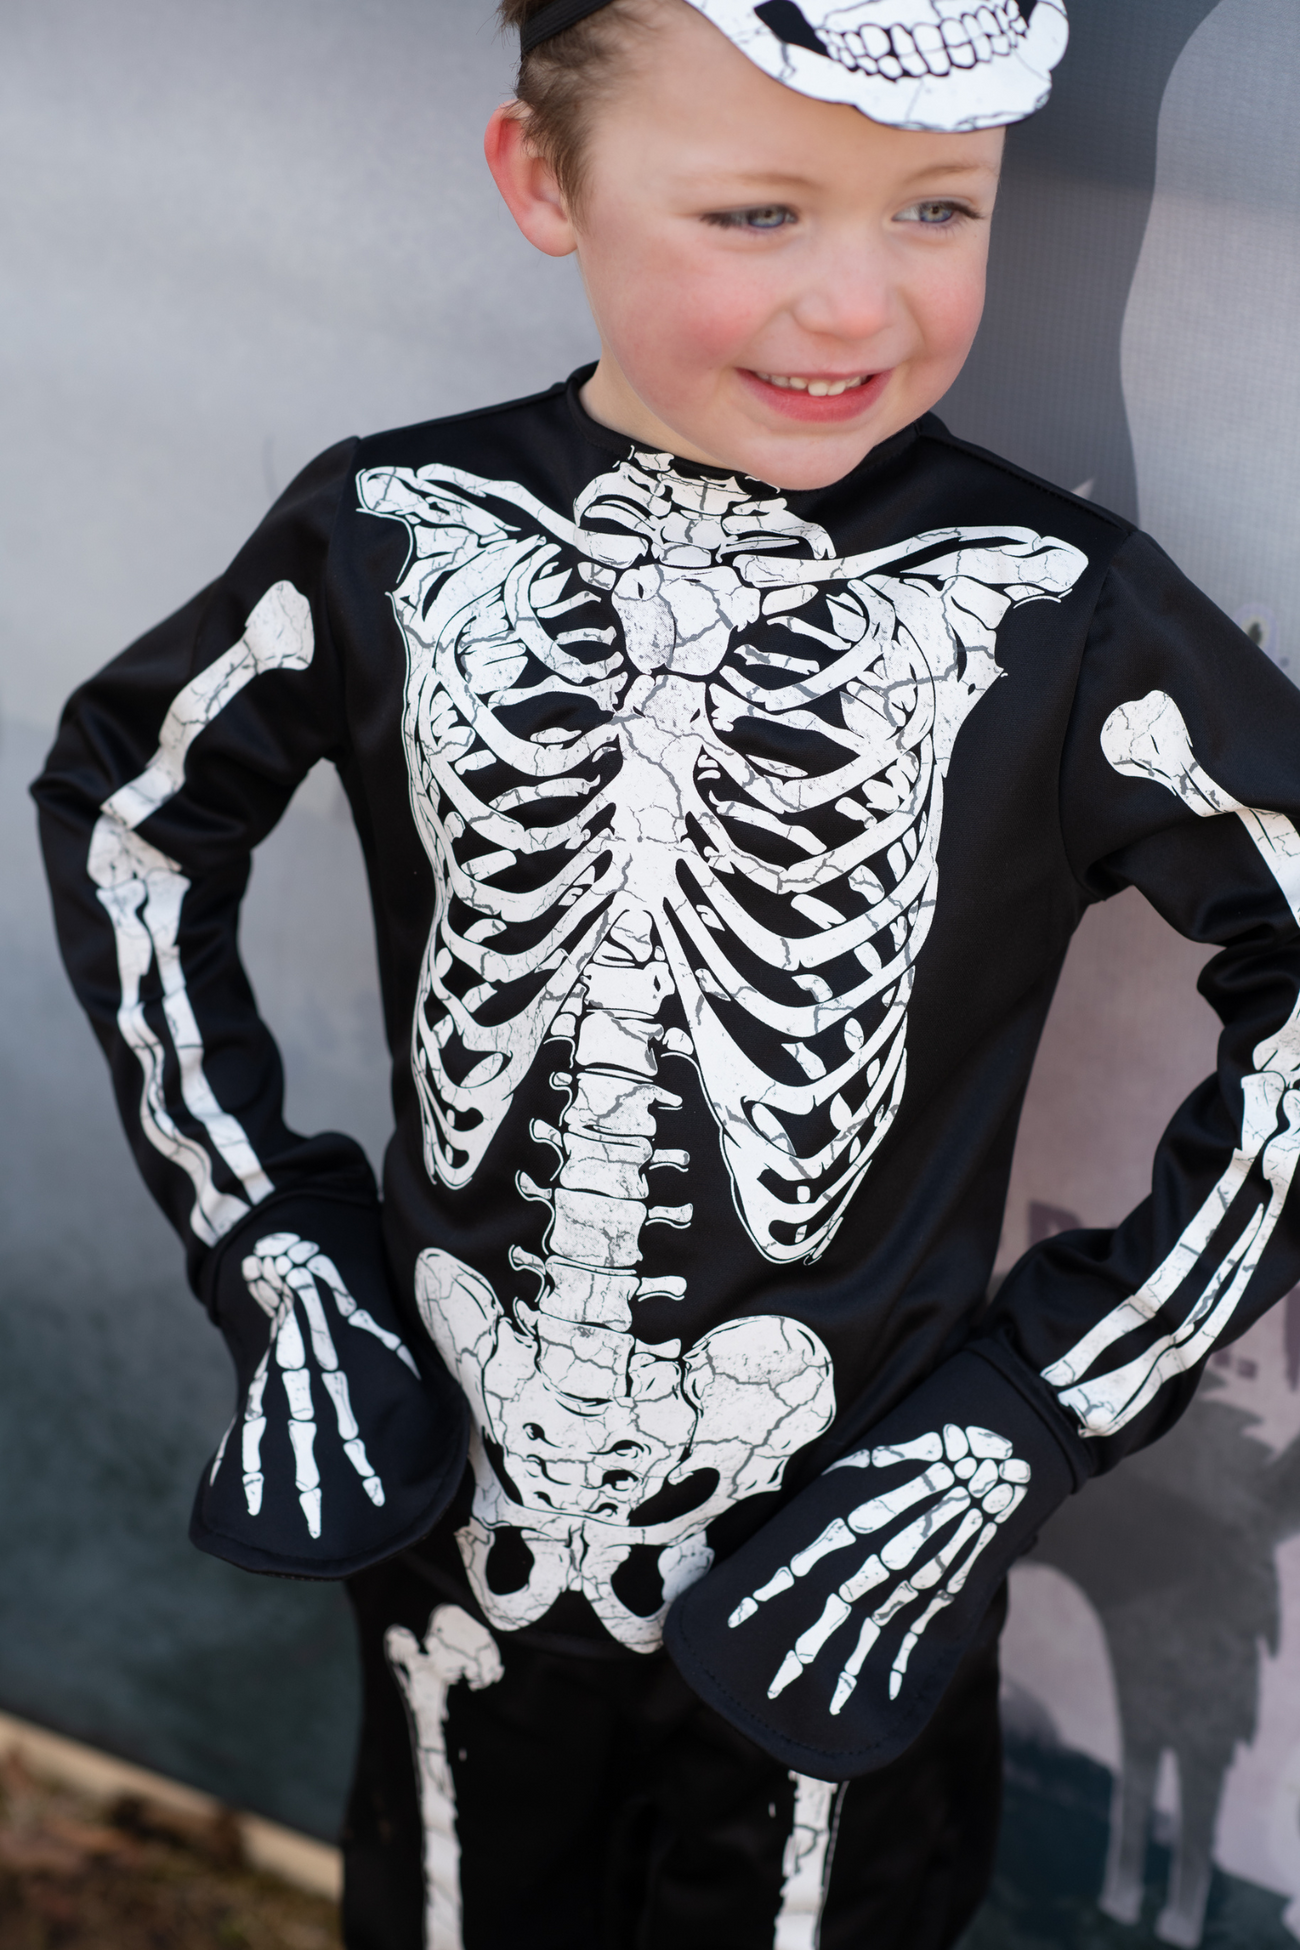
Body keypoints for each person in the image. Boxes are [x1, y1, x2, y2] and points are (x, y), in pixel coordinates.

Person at [31, 2, 1300, 1945]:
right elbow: (132, 808)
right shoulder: (388, 529)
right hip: (448, 1494)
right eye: (755, 211)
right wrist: (276, 1246)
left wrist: (1020, 1416)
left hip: (840, 1547)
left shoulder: (1052, 616)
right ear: (544, 180)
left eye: (936, 208)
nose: (851, 304)